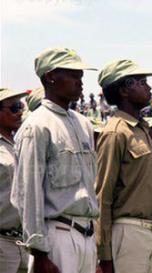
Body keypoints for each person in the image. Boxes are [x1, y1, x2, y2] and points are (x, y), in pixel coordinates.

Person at [11, 47, 99, 273]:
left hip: (86, 235)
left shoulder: (84, 124)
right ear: (50, 77)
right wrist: (39, 253)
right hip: (58, 235)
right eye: (73, 75)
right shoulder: (37, 126)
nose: (80, 81)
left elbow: (90, 188)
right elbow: (28, 194)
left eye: (81, 76)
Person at [95, 59, 152, 273]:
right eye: (141, 82)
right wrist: (104, 255)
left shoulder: (141, 129)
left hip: (150, 230)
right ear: (124, 90)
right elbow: (102, 196)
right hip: (127, 231)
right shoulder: (115, 132)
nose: (149, 87)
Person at [0, 88, 29, 273]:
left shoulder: (21, 144)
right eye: (14, 107)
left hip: (26, 242)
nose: (20, 112)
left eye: (21, 107)